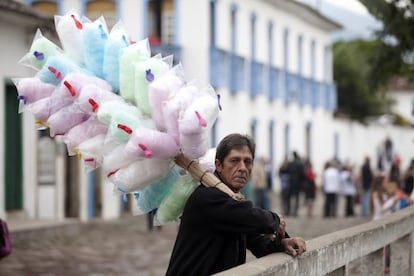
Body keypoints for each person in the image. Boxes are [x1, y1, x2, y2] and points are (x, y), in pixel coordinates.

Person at [166, 133, 306, 275]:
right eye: (234, 161)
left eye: (247, 161)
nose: (242, 168)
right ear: (218, 165)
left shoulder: (232, 201)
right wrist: (274, 219)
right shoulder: (207, 197)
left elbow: (257, 243)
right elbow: (251, 217)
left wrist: (282, 243)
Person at [286, 151, 305, 217]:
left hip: (291, 182)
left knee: (289, 197)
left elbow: (288, 171)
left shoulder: (290, 163)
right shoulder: (300, 163)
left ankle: (288, 211)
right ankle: (295, 212)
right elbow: (303, 174)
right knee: (297, 198)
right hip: (298, 183)